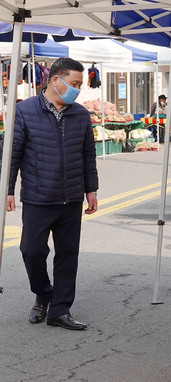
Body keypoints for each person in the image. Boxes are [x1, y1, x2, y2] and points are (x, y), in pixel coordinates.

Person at [6, 57, 99, 331]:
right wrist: (8, 190)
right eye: (73, 83)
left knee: (68, 255)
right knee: (31, 251)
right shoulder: (25, 111)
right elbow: (12, 154)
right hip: (38, 197)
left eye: (80, 85)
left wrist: (90, 189)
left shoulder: (80, 114)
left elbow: (88, 156)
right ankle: (44, 294)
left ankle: (60, 309)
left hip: (71, 198)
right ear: (55, 80)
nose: (77, 90)